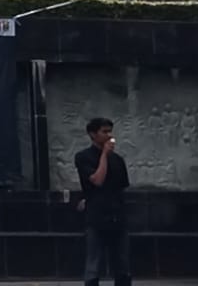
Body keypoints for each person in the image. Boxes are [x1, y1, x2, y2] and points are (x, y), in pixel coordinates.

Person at [74, 117, 131, 286]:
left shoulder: (118, 160)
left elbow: (121, 187)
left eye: (110, 131)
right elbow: (97, 180)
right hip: (96, 217)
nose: (109, 135)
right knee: (94, 263)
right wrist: (104, 155)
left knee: (122, 263)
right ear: (93, 134)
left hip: (117, 216)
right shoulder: (83, 157)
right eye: (104, 132)